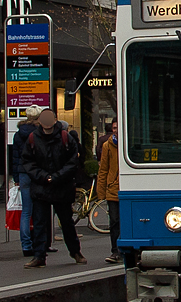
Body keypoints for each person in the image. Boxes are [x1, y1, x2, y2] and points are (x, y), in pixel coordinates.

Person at [20, 109, 85, 268]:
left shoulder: (65, 137)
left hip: (60, 186)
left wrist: (56, 177)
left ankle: (75, 251)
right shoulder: (33, 138)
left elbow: (72, 162)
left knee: (66, 222)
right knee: (40, 223)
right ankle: (39, 255)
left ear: (55, 120)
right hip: (42, 186)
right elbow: (28, 162)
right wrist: (43, 176)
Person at [10, 105, 42, 256]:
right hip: (37, 172)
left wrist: (16, 177)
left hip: (23, 173)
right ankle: (39, 243)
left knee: (26, 211)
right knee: (39, 209)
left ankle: (26, 245)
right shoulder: (39, 133)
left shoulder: (18, 134)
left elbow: (15, 157)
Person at [95, 122, 120, 264]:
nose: (116, 131)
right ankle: (115, 250)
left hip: (124, 188)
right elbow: (103, 169)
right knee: (114, 221)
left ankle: (124, 250)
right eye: (114, 128)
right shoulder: (107, 146)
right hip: (113, 188)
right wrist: (101, 191)